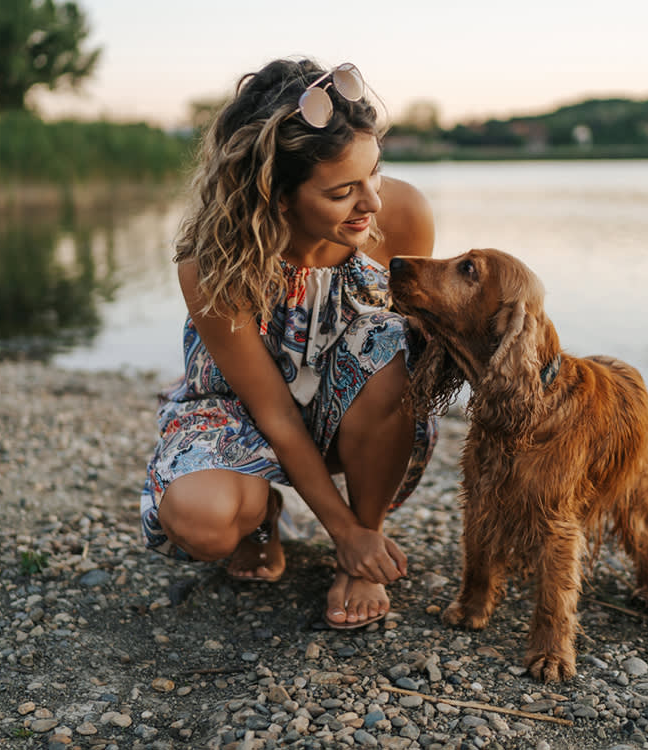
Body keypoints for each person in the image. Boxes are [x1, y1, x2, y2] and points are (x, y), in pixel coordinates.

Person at [139, 57, 437, 629]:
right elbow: (273, 411)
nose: (371, 203)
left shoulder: (403, 216)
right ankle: (264, 514)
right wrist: (337, 530)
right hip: (244, 411)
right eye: (343, 191)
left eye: (374, 172)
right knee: (203, 523)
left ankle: (364, 548)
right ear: (276, 195)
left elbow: (406, 368)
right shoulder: (212, 262)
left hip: (350, 410)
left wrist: (357, 537)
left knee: (394, 341)